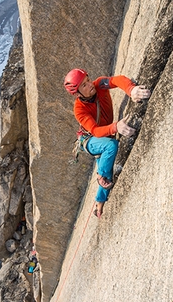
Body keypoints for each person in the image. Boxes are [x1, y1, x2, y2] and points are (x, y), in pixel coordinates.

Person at [64, 68, 150, 218]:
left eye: (87, 80)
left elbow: (116, 80)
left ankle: (99, 203)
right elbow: (96, 131)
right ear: (77, 94)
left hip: (103, 135)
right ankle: (100, 176)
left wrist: (131, 89)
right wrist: (116, 126)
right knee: (111, 147)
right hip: (89, 141)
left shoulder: (99, 85)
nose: (90, 85)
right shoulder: (79, 109)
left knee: (108, 171)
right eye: (84, 85)